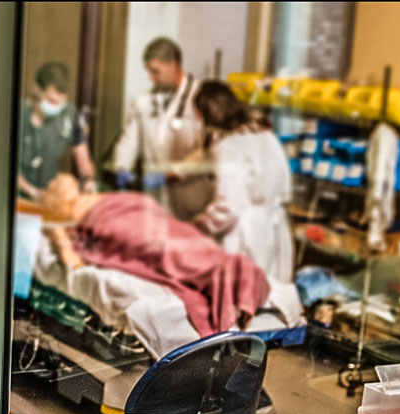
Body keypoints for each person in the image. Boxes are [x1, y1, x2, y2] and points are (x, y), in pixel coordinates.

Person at [41, 173, 270, 337]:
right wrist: (61, 235)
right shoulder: (68, 222)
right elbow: (74, 264)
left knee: (177, 240)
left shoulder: (106, 200)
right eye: (56, 187)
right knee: (165, 250)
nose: (60, 186)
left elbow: (153, 213)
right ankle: (222, 270)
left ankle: (222, 268)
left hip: (131, 212)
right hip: (113, 224)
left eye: (60, 184)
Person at [191, 81, 293, 283]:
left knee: (246, 301)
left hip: (249, 236)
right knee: (274, 299)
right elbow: (286, 188)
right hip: (277, 230)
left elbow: (229, 206)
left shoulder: (228, 147)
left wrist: (201, 224)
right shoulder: (266, 136)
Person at [109, 37, 207, 220]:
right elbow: (129, 141)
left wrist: (172, 173)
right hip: (154, 198)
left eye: (156, 72)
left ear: (174, 65)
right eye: (149, 72)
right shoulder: (143, 101)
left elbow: (206, 152)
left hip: (189, 199)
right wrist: (121, 167)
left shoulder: (200, 98)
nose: (151, 78)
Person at [17, 62, 94, 200]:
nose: (57, 107)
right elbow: (2, 166)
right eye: (51, 101)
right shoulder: (18, 115)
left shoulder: (70, 116)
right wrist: (33, 192)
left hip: (49, 194)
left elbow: (82, 156)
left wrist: (89, 181)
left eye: (61, 102)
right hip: (17, 194)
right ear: (37, 90)